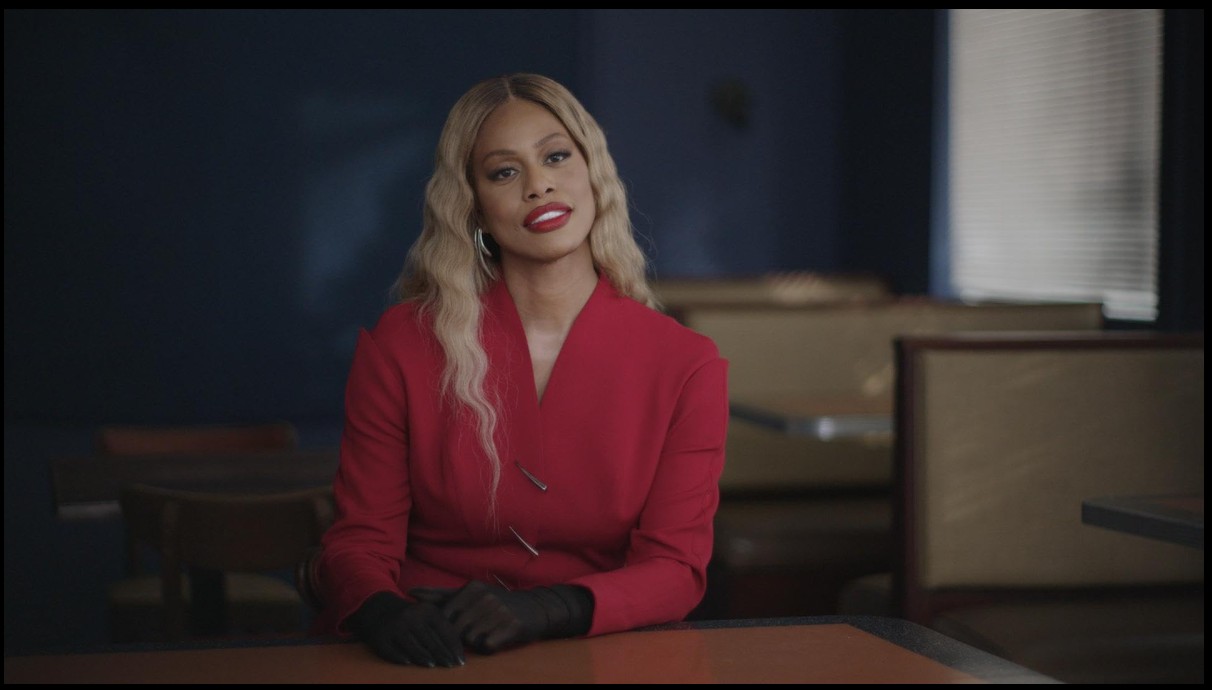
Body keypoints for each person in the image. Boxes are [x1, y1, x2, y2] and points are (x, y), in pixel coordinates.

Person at [313, 73, 729, 667]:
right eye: (504, 172)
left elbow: (676, 570)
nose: (539, 185)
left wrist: (552, 608)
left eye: (556, 156)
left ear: (593, 174)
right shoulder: (401, 346)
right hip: (430, 650)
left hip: (596, 652)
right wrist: (380, 608)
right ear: (475, 206)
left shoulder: (688, 365)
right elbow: (359, 540)